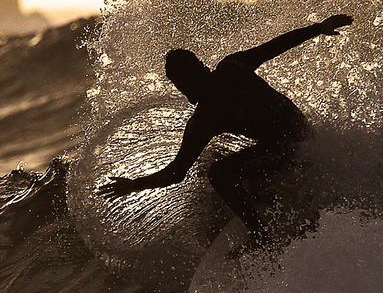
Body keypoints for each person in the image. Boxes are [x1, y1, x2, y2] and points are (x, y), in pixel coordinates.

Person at [97, 13, 353, 246]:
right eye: (177, 84)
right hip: (296, 140)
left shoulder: (223, 86)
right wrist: (318, 28)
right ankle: (278, 204)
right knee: (238, 171)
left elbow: (274, 46)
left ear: (196, 72)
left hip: (295, 141)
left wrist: (319, 28)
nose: (181, 89)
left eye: (181, 82)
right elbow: (177, 171)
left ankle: (260, 235)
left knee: (219, 174)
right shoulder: (225, 78)